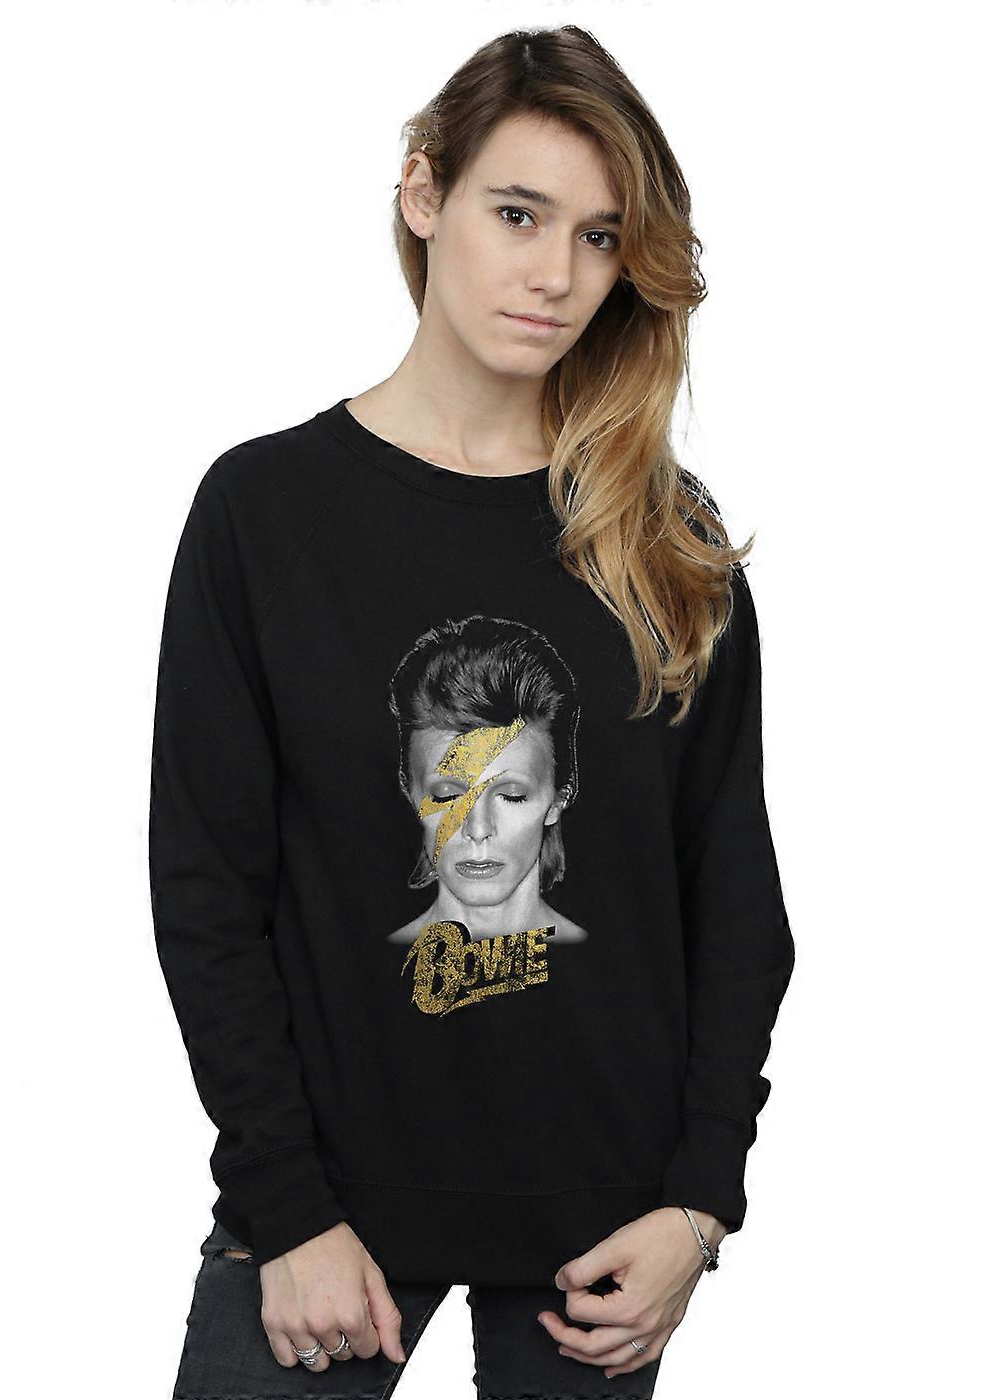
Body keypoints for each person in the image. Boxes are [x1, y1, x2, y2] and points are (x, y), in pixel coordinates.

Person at [149, 23, 795, 1400]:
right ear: (423, 193)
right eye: (517, 214)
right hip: (325, 1213)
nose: (557, 274)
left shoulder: (664, 536)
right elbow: (207, 888)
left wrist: (700, 1205)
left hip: (605, 1233)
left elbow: (734, 894)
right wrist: (286, 1210)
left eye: (601, 237)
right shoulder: (265, 514)